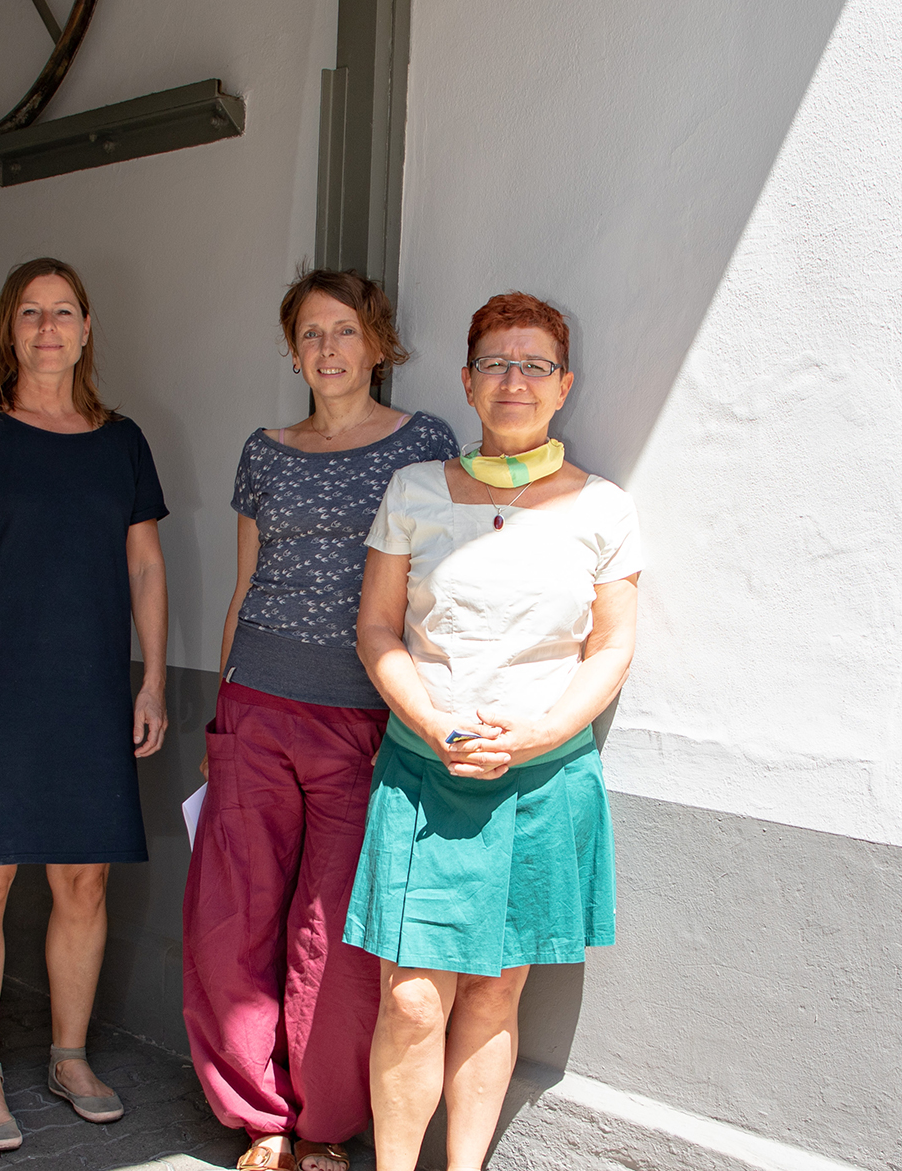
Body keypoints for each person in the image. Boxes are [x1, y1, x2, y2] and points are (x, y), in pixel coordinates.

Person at [346, 292, 641, 1171]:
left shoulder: (602, 509)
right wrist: (433, 722)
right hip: (424, 775)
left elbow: (612, 645)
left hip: (541, 781)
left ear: (563, 387)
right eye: (496, 365)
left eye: (535, 365)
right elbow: (377, 630)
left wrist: (541, 730)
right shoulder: (415, 491)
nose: (515, 380)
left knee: (493, 996)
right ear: (469, 384)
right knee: (409, 1000)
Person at [184, 269, 458, 1171]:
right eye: (311, 334)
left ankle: (325, 1124)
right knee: (235, 913)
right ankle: (259, 1115)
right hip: (256, 701)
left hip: (361, 717)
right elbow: (245, 586)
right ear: (293, 348)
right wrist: (221, 703)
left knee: (336, 926)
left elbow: (435, 587)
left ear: (378, 344)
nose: (328, 349)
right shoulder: (264, 450)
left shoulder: (423, 447)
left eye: (346, 332)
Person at [0, 257, 170, 1153]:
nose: (49, 327)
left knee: (83, 879)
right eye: (31, 312)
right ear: (8, 326)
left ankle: (68, 1056)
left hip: (91, 690)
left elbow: (144, 565)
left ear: (87, 327)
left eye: (65, 311)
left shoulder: (122, 441)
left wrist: (152, 677)